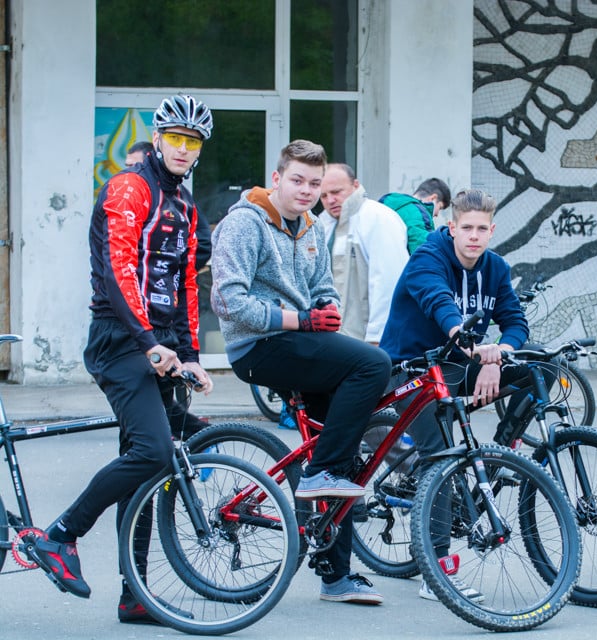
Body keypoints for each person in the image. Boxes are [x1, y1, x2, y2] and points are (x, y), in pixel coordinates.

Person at [31, 95, 216, 624]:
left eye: (193, 141)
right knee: (155, 452)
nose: (183, 148)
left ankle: (134, 594)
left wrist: (191, 353)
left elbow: (183, 286)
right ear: (157, 138)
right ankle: (60, 535)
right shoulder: (131, 187)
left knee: (141, 473)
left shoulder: (184, 205)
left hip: (155, 342)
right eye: (175, 138)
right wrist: (148, 342)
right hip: (121, 339)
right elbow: (118, 272)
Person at [210, 140, 390, 605]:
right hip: (257, 347)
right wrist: (300, 320)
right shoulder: (244, 224)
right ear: (276, 179)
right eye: (298, 181)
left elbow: (321, 284)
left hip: (299, 341)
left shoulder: (309, 225)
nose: (308, 191)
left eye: (315, 183)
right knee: (373, 364)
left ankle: (337, 577)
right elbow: (229, 301)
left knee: (343, 451)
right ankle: (320, 472)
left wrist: (325, 307)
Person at [379, 188, 533, 602]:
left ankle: (498, 456)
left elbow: (515, 323)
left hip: (456, 367)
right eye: (467, 228)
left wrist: (497, 357)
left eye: (483, 229)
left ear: (492, 230)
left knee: (535, 375)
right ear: (452, 227)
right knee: (441, 456)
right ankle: (437, 571)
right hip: (409, 368)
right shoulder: (429, 256)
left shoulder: (495, 268)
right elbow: (439, 301)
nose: (474, 236)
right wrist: (468, 344)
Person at [124, 140, 213, 431]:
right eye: (128, 167)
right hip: (130, 328)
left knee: (158, 426)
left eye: (136, 165)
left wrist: (166, 267)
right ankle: (200, 438)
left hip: (163, 320)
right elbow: (115, 268)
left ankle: (200, 439)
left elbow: (199, 248)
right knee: (149, 435)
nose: (131, 173)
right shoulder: (129, 197)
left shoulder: (181, 202)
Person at [318, 163, 408, 344]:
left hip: (367, 340)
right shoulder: (322, 223)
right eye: (324, 195)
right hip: (334, 339)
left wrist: (376, 338)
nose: (330, 200)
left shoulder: (379, 218)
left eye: (336, 192)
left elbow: (388, 283)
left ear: (356, 185)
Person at [379, 177, 452, 253]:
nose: (437, 214)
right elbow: (422, 253)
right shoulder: (419, 214)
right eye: (440, 207)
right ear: (433, 198)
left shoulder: (386, 202)